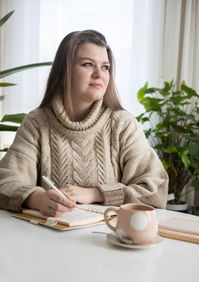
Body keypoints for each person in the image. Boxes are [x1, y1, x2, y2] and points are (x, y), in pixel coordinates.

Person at [0, 30, 168, 217]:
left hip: (108, 238)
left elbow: (155, 190)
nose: (99, 74)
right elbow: (6, 182)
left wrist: (96, 193)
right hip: (49, 239)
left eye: (105, 67)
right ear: (65, 70)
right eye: (88, 64)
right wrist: (37, 198)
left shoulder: (123, 124)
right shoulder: (36, 123)